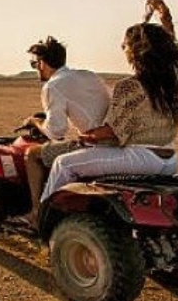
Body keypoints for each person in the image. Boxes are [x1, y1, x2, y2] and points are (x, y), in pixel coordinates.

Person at [42, 0, 178, 198]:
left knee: (63, 164)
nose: (122, 48)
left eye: (125, 45)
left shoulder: (129, 86)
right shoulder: (170, 82)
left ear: (137, 51)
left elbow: (112, 131)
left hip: (141, 159)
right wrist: (165, 20)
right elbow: (168, 48)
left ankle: (43, 219)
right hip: (170, 161)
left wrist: (87, 136)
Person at [21, 36, 111, 224]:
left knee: (32, 155)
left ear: (42, 63)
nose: (35, 68)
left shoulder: (53, 85)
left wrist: (35, 122)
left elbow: (56, 132)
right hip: (114, 138)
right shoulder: (89, 75)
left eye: (34, 63)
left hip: (95, 145)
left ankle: (37, 213)